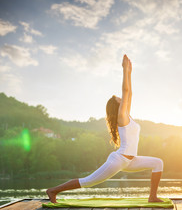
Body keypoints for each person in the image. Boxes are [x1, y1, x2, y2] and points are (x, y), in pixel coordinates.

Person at [46, 54, 164, 203]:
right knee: (88, 181)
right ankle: (53, 190)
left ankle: (152, 197)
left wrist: (129, 73)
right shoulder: (122, 117)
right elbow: (126, 91)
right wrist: (124, 70)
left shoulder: (128, 115)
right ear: (116, 106)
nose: (122, 99)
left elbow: (130, 93)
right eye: (119, 99)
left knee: (158, 163)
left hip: (131, 160)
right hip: (119, 160)